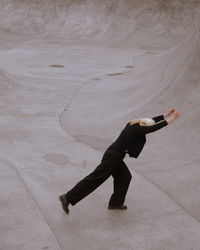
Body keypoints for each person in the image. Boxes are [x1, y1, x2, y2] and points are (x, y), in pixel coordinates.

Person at [59, 109, 180, 214]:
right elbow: (154, 127)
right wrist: (172, 118)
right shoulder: (139, 129)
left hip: (114, 155)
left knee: (125, 177)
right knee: (95, 178)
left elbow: (151, 120)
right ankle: (67, 197)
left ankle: (115, 203)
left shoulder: (133, 124)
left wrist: (165, 114)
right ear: (144, 125)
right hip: (113, 157)